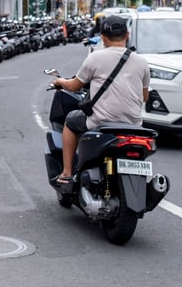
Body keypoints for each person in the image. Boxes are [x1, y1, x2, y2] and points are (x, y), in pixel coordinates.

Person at [50, 15, 150, 188]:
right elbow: (145, 97)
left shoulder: (95, 58)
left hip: (101, 122)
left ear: (102, 37)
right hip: (133, 124)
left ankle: (66, 173)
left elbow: (74, 86)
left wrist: (60, 81)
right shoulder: (141, 62)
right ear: (127, 35)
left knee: (71, 121)